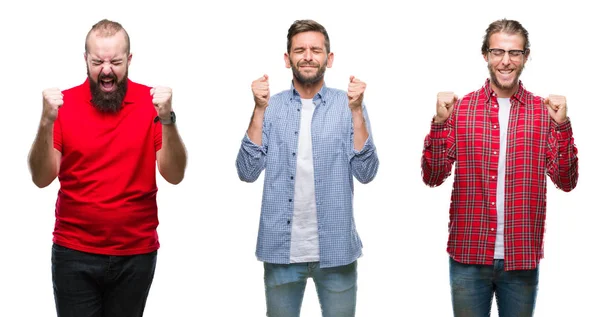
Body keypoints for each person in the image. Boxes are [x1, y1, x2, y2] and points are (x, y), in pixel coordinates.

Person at [27, 19, 187, 317]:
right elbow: (40, 177)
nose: (106, 70)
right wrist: (45, 121)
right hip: (74, 252)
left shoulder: (152, 104)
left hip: (136, 253)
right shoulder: (63, 106)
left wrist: (168, 119)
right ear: (85, 60)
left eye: (115, 61)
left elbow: (174, 175)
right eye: (97, 61)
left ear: (129, 60)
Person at [421, 19, 578, 317]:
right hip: (468, 255)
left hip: (521, 258)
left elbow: (566, 180)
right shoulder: (462, 108)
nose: (506, 61)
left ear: (525, 57)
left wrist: (562, 126)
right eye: (497, 52)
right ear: (485, 55)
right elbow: (433, 176)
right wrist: (440, 124)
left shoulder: (542, 112)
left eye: (514, 53)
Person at [236, 19, 378, 317]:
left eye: (316, 49)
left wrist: (356, 112)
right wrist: (259, 109)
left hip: (337, 249)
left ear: (330, 57)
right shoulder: (270, 106)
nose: (308, 56)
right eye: (300, 50)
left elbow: (366, 172)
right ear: (288, 59)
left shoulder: (348, 105)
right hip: (280, 249)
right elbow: (247, 171)